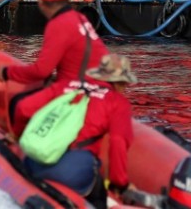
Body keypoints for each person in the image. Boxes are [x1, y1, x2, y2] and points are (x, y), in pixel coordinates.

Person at [0, 0, 108, 137]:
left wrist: (6, 73)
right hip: (98, 89)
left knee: (21, 107)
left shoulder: (57, 25)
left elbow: (42, 71)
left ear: (41, 2)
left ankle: (16, 145)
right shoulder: (80, 18)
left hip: (79, 91)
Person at [22, 54, 138, 209]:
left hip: (33, 163)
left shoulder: (66, 85)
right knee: (98, 193)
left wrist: (15, 136)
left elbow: (23, 108)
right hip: (72, 170)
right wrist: (120, 184)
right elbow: (118, 142)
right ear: (121, 83)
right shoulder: (117, 102)